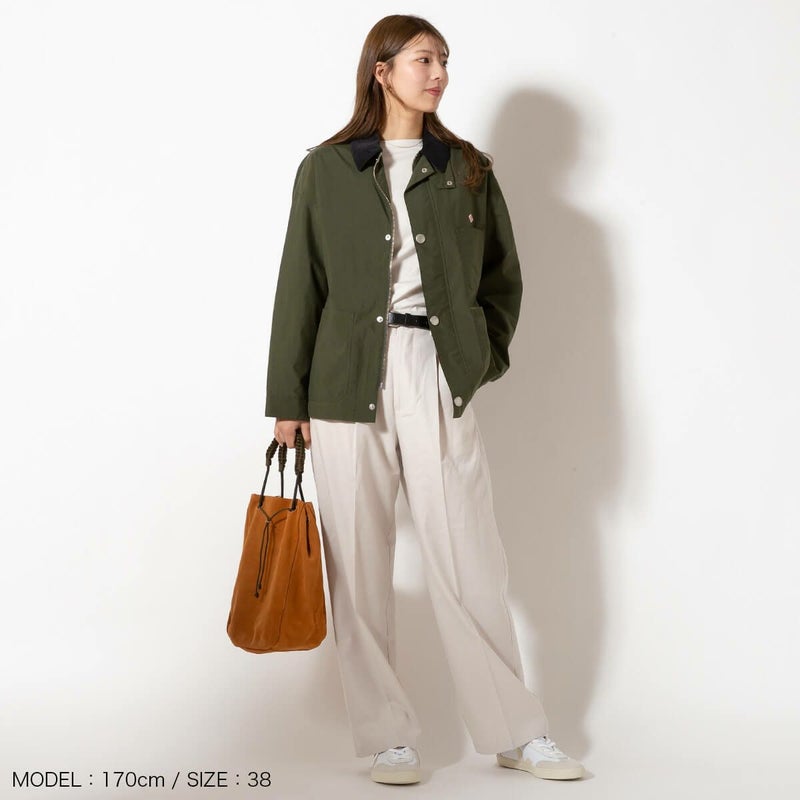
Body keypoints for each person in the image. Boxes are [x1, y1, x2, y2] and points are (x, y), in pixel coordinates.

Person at [264, 13, 585, 785]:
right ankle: (385, 736)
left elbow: (503, 280)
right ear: (382, 70)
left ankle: (516, 731)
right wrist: (288, 401)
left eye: (444, 60)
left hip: (433, 368)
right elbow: (299, 287)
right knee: (357, 562)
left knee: (469, 555)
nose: (439, 73)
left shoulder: (468, 169)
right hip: (343, 378)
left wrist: (476, 359)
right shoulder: (326, 170)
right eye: (423, 59)